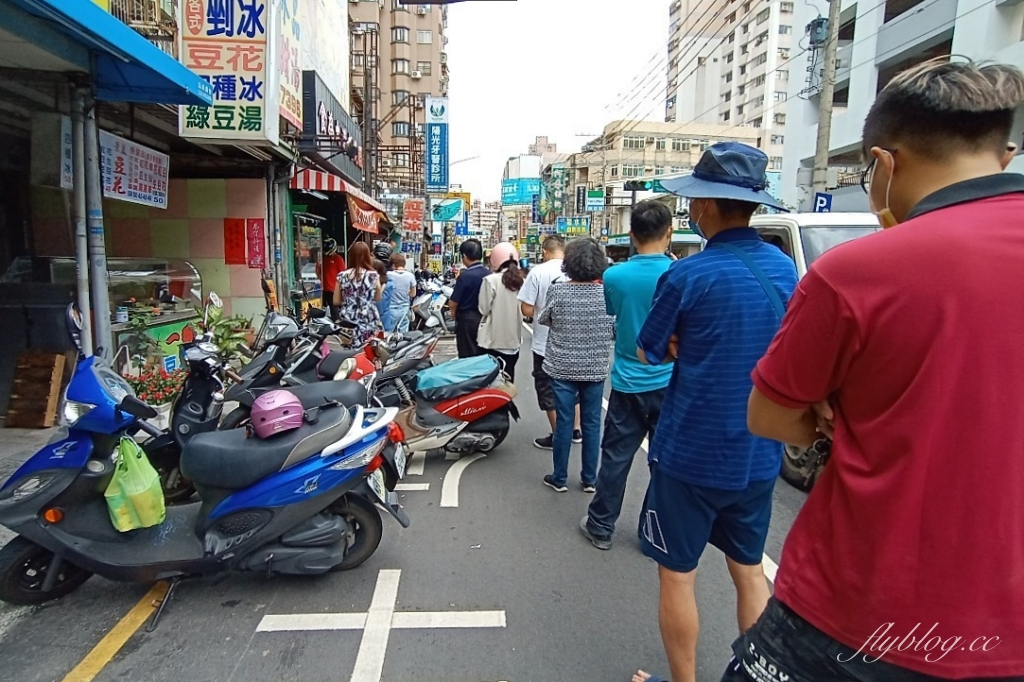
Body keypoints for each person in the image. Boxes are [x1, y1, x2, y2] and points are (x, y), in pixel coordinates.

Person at [722, 58, 1024, 682]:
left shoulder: (859, 271)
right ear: (1005, 155)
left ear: (884, 165)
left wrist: (830, 417)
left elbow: (770, 415)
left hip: (861, 611)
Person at [632, 142, 798, 682]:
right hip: (758, 452)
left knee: (678, 576)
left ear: (704, 204)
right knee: (749, 572)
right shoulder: (787, 273)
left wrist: (677, 343)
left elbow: (647, 351)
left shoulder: (687, 275)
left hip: (689, 453)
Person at [579, 201, 674, 551]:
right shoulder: (680, 274)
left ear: (632, 234)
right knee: (664, 463)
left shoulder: (614, 276)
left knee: (616, 458)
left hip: (627, 381)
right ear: (669, 232)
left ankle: (601, 526)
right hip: (670, 382)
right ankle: (653, 533)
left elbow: (614, 314)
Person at [537, 237, 613, 494]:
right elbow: (614, 328)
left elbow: (543, 318)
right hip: (595, 366)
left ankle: (559, 477)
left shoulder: (558, 290)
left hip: (562, 366)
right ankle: (590, 479)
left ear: (568, 263)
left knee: (564, 422)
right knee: (592, 423)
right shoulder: (607, 293)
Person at [518, 235, 582, 450]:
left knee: (548, 389)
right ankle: (576, 430)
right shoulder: (576, 270)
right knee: (574, 385)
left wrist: (541, 310)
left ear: (545, 252)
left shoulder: (538, 272)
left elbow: (527, 309)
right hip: (574, 341)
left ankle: (558, 435)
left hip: (545, 342)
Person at [477, 242, 525, 382]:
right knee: (508, 380)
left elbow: (483, 309)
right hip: (514, 341)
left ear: (495, 260)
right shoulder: (522, 281)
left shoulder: (490, 280)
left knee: (492, 383)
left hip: (493, 340)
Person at [334, 242, 383, 346]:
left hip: (348, 319)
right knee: (370, 349)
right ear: (367, 256)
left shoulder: (342, 276)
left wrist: (348, 300)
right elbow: (378, 298)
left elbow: (336, 301)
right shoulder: (373, 275)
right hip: (369, 318)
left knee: (349, 350)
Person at [449, 239, 489, 358]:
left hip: (467, 321)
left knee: (467, 354)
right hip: (486, 320)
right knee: (483, 354)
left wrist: (453, 314)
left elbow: (453, 302)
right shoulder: (490, 274)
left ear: (464, 256)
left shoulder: (465, 276)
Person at [387, 253, 418, 334]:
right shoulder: (410, 276)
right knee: (403, 334)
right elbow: (413, 294)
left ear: (393, 264)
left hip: (391, 308)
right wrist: (406, 292)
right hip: (404, 309)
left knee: (389, 333)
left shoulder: (388, 275)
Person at [317, 238, 346, 318]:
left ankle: (336, 323)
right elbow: (318, 271)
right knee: (322, 309)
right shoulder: (323, 259)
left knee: (334, 309)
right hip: (323, 288)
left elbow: (343, 275)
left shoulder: (338, 259)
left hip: (334, 289)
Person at [373, 259, 393, 333]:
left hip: (380, 325)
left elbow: (380, 306)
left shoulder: (385, 286)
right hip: (385, 322)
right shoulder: (389, 283)